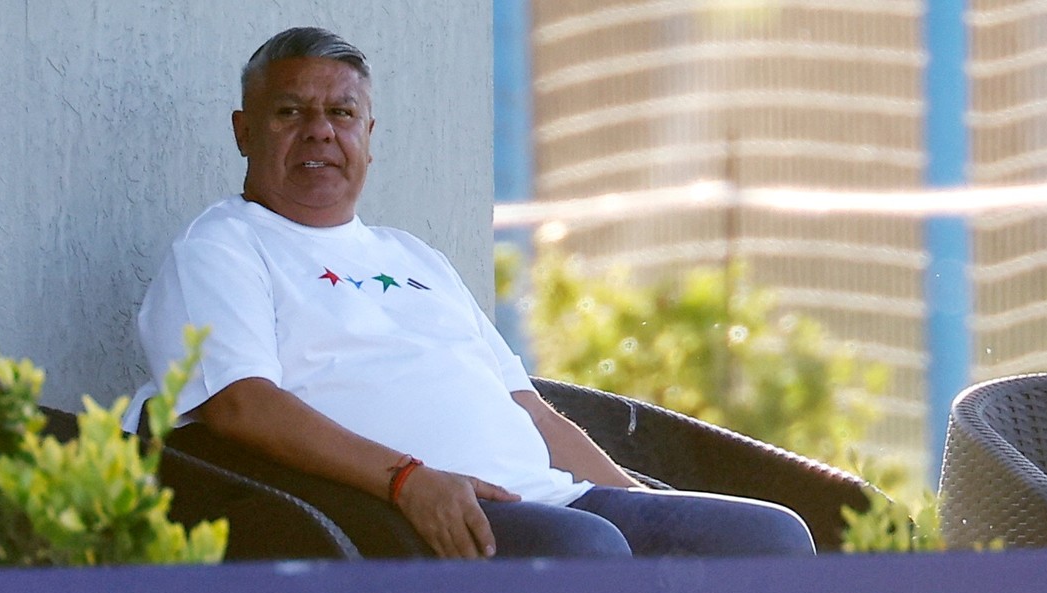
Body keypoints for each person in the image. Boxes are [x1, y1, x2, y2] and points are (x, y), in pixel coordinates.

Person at [125, 26, 816, 559]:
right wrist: (406, 479)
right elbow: (241, 405)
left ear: (369, 135)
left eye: (341, 112)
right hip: (402, 514)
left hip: (551, 498)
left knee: (769, 539)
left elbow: (527, 407)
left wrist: (632, 497)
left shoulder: (412, 255)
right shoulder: (222, 247)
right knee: (589, 552)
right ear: (244, 131)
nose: (320, 131)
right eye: (290, 111)